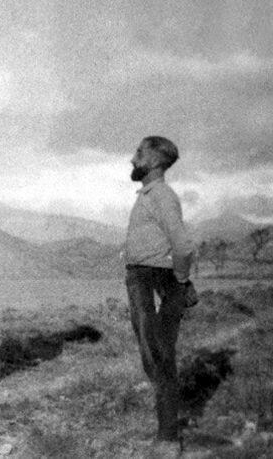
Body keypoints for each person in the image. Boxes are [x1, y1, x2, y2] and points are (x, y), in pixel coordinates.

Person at [124, 136, 194, 447]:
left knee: (160, 355)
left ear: (153, 162)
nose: (132, 159)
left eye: (138, 154)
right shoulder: (149, 196)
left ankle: (168, 438)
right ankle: (166, 425)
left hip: (156, 279)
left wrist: (180, 280)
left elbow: (182, 244)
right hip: (142, 276)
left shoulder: (162, 196)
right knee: (152, 354)